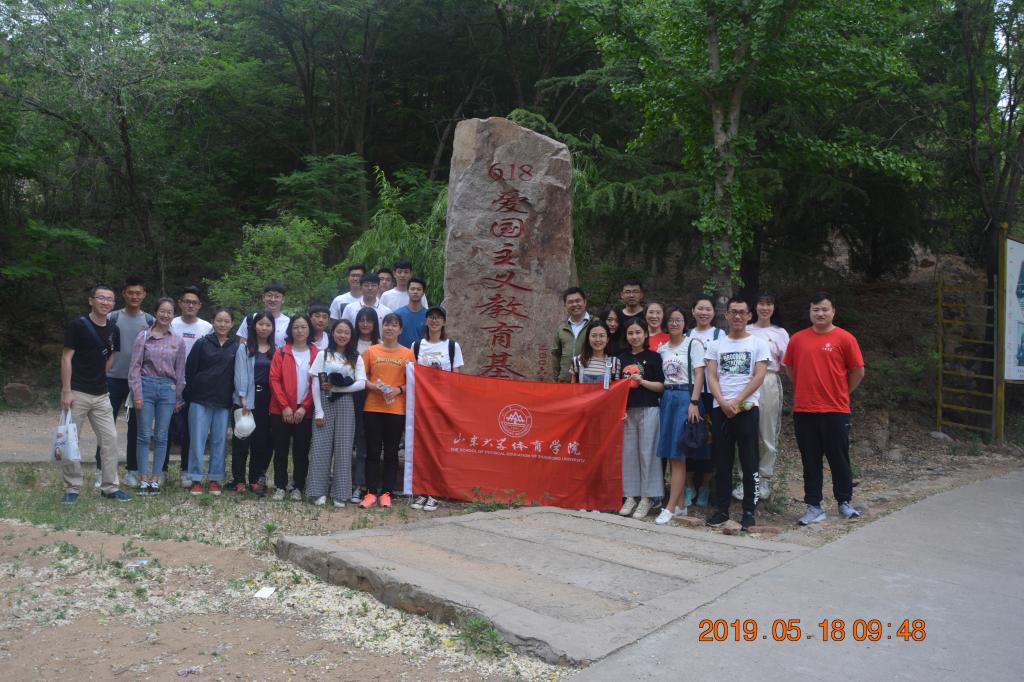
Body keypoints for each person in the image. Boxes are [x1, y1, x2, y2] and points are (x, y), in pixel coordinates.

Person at [783, 292, 865, 525]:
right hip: (804, 410)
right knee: (810, 460)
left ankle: (844, 502)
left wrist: (842, 392)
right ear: (810, 312)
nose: (820, 313)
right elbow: (790, 368)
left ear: (833, 312)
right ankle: (813, 506)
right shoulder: (798, 339)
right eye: (816, 309)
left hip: (836, 409)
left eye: (824, 309)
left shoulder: (845, 338)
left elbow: (858, 371)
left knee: (839, 458)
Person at [58, 284, 131, 503]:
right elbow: (66, 358)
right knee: (70, 440)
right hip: (76, 393)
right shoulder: (77, 326)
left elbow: (112, 356)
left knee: (110, 439)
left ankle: (110, 487)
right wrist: (67, 390)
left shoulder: (114, 329)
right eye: (101, 298)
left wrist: (99, 375)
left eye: (109, 299)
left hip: (101, 394)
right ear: (91, 300)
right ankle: (72, 488)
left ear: (113, 303)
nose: (105, 302)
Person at [704, 297, 770, 532]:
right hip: (720, 409)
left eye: (742, 312)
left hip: (747, 408)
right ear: (727, 315)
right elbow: (712, 376)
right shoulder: (716, 345)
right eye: (733, 312)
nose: (738, 316)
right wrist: (723, 402)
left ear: (749, 315)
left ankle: (749, 511)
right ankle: (722, 509)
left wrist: (737, 400)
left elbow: (759, 376)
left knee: (750, 461)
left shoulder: (758, 344)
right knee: (722, 462)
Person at [734, 292, 789, 501]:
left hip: (768, 380)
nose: (765, 308)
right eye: (761, 304)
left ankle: (764, 478)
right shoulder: (746, 329)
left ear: (774, 308)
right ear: (754, 308)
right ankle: (744, 478)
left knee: (767, 432)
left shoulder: (780, 333)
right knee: (744, 431)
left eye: (769, 304)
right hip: (743, 382)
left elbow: (786, 363)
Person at [128, 298, 186, 495]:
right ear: (155, 312)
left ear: (173, 315)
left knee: (162, 436)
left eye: (169, 312)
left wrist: (178, 397)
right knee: (144, 435)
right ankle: (143, 478)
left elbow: (180, 372)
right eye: (162, 311)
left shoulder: (178, 341)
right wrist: (136, 393)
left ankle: (155, 478)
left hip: (167, 389)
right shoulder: (143, 336)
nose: (165, 315)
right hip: (146, 386)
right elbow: (135, 367)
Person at [99, 275, 153, 488]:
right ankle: (102, 471)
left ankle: (133, 470)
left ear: (144, 295)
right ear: (124, 294)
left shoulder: (150, 321)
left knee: (136, 428)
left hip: (138, 382)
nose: (134, 296)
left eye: (138, 293)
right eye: (130, 293)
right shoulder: (111, 317)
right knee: (106, 427)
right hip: (112, 379)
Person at [409, 306, 464, 511]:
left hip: (442, 405)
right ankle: (421, 491)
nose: (434, 321)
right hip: (422, 404)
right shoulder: (416, 346)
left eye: (438, 318)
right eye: (431, 317)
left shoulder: (452, 346)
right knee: (422, 447)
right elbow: (412, 374)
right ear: (426, 321)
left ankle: (435, 492)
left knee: (439, 447)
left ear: (444, 322)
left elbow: (456, 378)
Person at [653, 307, 706, 524]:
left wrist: (694, 402)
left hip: (686, 398)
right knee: (671, 454)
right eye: (671, 320)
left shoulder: (693, 344)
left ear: (685, 323)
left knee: (677, 455)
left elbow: (699, 374)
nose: (674, 323)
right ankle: (681, 505)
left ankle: (670, 507)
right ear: (666, 323)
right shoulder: (662, 349)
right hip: (667, 398)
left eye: (679, 320)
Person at [359, 313, 415, 509]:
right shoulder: (371, 351)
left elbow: (413, 382)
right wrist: (373, 387)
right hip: (372, 407)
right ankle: (370, 492)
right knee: (372, 451)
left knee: (391, 453)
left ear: (400, 330)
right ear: (382, 328)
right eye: (387, 324)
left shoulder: (408, 354)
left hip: (396, 410)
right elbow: (360, 377)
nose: (390, 328)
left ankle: (387, 492)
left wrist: (398, 389)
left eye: (394, 325)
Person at [308, 320, 366, 506]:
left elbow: (361, 383)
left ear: (351, 336)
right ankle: (318, 491)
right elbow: (315, 382)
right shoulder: (323, 354)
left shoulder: (356, 357)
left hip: (346, 403)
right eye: (339, 331)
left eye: (346, 332)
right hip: (324, 402)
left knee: (344, 448)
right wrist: (318, 411)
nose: (342, 335)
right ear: (332, 333)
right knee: (321, 447)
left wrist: (338, 389)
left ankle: (340, 493)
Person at [185, 308, 237, 495]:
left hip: (223, 400)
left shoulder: (236, 347)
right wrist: (191, 394)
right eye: (219, 320)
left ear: (232, 324)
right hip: (200, 398)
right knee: (197, 440)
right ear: (213, 322)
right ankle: (196, 479)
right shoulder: (202, 343)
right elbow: (190, 370)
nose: (222, 324)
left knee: (219, 440)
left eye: (226, 321)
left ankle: (215, 478)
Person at [617, 319, 665, 519]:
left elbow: (661, 386)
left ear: (645, 334)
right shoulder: (620, 358)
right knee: (628, 453)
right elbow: (615, 387)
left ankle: (647, 497)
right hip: (627, 410)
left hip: (649, 408)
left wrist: (642, 381)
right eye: (630, 333)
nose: (634, 336)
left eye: (638, 332)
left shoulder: (654, 357)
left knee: (648, 453)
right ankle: (630, 496)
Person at [269, 314, 320, 501]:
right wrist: (284, 406)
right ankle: (280, 486)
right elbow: (274, 380)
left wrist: (304, 407)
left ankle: (298, 486)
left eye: (303, 327)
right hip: (281, 409)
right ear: (290, 330)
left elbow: (317, 383)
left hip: (304, 411)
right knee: (280, 450)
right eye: (296, 327)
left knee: (301, 451)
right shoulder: (281, 352)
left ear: (309, 330)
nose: (300, 331)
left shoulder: (317, 353)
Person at [169, 285, 212, 487]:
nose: (190, 305)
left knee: (190, 429)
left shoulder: (206, 327)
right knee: (166, 428)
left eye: (194, 302)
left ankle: (187, 469)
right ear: (180, 303)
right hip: (169, 381)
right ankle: (161, 470)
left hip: (194, 384)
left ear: (199, 305)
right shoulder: (171, 323)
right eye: (187, 301)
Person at [231, 311, 276, 494]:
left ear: (272, 328)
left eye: (268, 325)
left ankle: (255, 479)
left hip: (266, 399)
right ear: (254, 326)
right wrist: (243, 398)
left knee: (260, 441)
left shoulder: (275, 350)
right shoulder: (244, 348)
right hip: (245, 397)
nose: (264, 328)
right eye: (260, 324)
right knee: (241, 439)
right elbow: (240, 373)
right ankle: (239, 480)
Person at [685, 294, 722, 507]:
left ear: (714, 312)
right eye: (700, 308)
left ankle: (705, 486)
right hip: (692, 395)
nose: (704, 312)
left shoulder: (720, 334)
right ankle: (689, 486)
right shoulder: (687, 334)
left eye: (708, 309)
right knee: (690, 438)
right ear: (693, 311)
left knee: (710, 442)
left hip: (713, 395)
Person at [350, 307, 380, 502]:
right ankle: (340, 482)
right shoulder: (349, 342)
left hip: (371, 397)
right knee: (344, 441)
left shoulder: (380, 345)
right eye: (362, 320)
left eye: (369, 320)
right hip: (347, 396)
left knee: (363, 442)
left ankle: (360, 485)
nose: (365, 324)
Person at [552, 287, 591, 382]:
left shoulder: (595, 324)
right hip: (565, 381)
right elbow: (556, 354)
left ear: (585, 302)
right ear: (565, 305)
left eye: (578, 301)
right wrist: (557, 378)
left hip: (588, 381)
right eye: (570, 302)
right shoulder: (562, 328)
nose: (574, 304)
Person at [237, 282, 290, 348]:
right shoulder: (251, 319)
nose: (272, 300)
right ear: (263, 297)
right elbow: (242, 345)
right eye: (269, 295)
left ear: (283, 299)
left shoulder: (288, 323)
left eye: (277, 296)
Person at [571, 320, 621, 385]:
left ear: (607, 339)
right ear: (588, 338)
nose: (597, 339)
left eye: (602, 336)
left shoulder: (614, 363)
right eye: (594, 336)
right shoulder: (577, 361)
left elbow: (617, 389)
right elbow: (573, 388)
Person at [395, 277, 428, 348]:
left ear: (423, 293)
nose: (415, 292)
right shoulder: (397, 314)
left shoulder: (428, 315)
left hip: (422, 353)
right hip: (401, 353)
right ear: (407, 291)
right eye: (412, 289)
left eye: (419, 289)